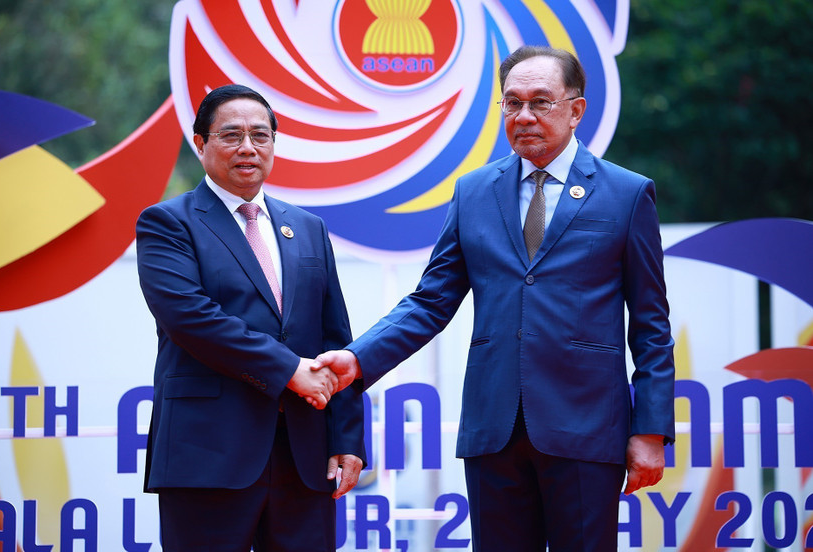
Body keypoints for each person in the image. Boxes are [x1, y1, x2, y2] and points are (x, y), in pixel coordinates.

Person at [315, 46, 675, 551]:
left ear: (576, 110)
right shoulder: (474, 192)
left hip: (587, 427)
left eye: (540, 102)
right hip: (494, 429)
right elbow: (430, 302)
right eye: (512, 103)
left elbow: (651, 325)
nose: (523, 116)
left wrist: (651, 430)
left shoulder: (626, 193)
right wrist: (357, 358)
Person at [136, 84, 365, 552]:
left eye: (260, 136)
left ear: (274, 146)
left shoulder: (307, 228)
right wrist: (289, 370)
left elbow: (334, 337)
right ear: (200, 144)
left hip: (303, 458)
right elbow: (192, 319)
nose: (248, 147)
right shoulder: (167, 223)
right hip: (208, 457)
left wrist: (347, 438)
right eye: (231, 135)